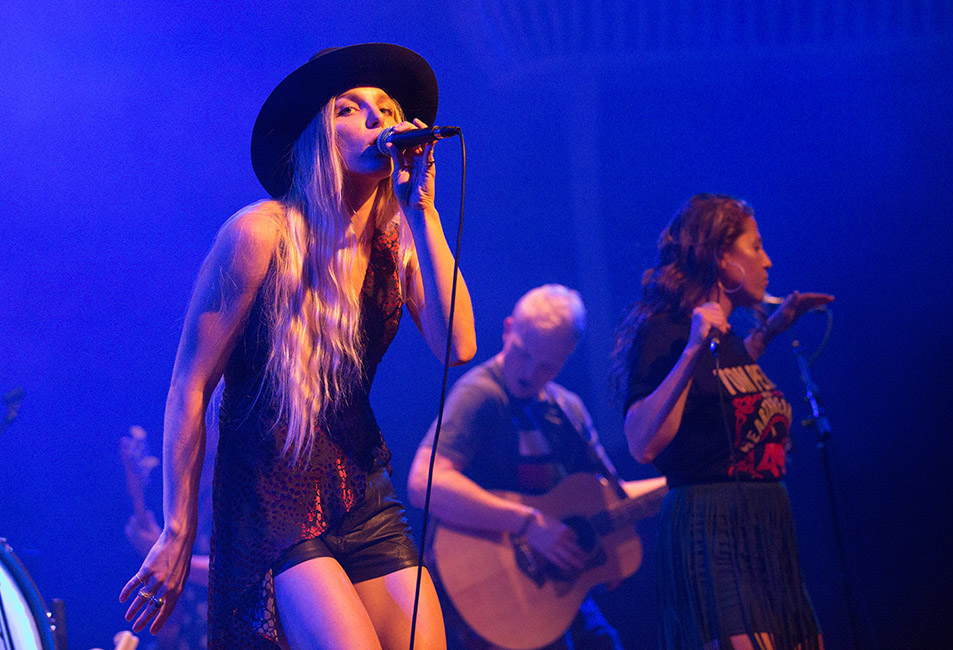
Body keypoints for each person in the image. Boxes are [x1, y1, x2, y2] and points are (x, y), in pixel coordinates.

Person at [119, 43, 476, 650]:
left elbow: (458, 346)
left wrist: (423, 213)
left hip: (362, 491)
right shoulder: (259, 235)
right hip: (273, 500)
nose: (377, 120)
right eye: (350, 108)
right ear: (318, 134)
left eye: (387, 110)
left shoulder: (400, 245)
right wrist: (178, 527)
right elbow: (191, 385)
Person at [612, 194, 833, 650]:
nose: (768, 261)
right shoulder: (668, 331)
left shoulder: (728, 337)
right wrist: (693, 347)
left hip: (767, 527)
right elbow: (641, 443)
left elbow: (719, 395)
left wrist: (769, 332)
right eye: (755, 247)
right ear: (721, 259)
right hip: (712, 530)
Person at [408, 284, 665, 650]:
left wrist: (678, 483)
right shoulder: (481, 395)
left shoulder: (569, 409)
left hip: (554, 587)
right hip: (495, 588)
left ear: (566, 357)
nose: (528, 373)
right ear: (508, 328)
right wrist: (528, 523)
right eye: (523, 354)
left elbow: (613, 495)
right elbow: (424, 482)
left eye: (546, 364)